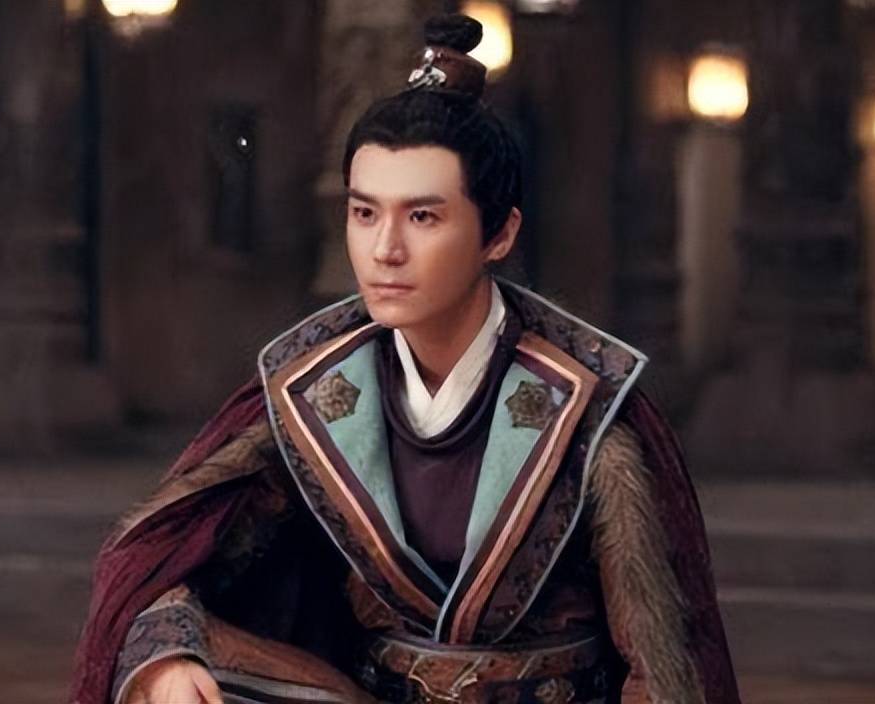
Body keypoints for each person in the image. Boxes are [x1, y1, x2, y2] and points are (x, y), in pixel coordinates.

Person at [71, 14, 739, 704]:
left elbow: (665, 669)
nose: (385, 250)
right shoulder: (317, 387)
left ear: (499, 234)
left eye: (422, 217)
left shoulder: (588, 408)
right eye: (365, 214)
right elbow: (165, 557)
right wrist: (170, 653)